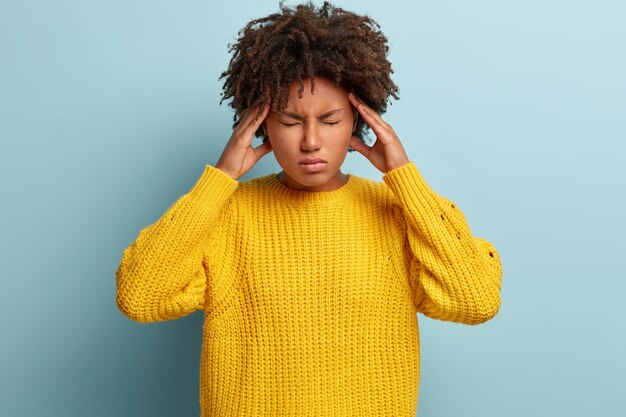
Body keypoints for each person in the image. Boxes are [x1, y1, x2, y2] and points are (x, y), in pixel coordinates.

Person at [115, 1, 503, 416]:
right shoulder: (227, 215)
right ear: (261, 124)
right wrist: (219, 180)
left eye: (331, 120)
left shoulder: (397, 213)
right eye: (291, 120)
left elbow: (476, 299)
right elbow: (140, 297)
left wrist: (406, 180)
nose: (311, 141)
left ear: (360, 121)